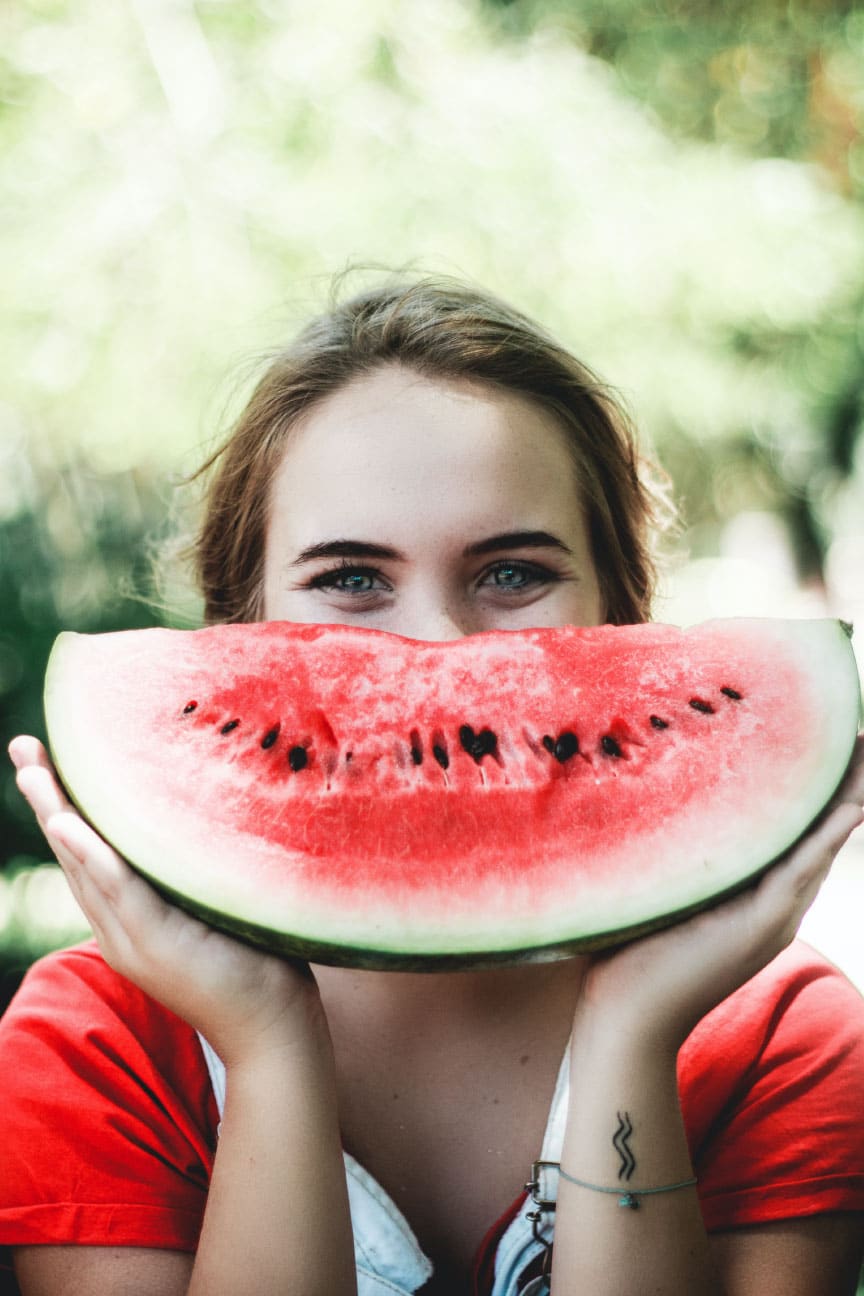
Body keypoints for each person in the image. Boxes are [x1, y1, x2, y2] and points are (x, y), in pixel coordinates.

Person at [3, 275, 864, 1296]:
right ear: (240, 630)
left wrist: (633, 1032)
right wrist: (268, 1045)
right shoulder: (101, 1049)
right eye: (352, 579)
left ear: (626, 614)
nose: (436, 649)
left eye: (511, 573)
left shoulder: (781, 1040)